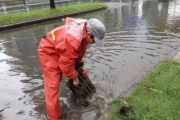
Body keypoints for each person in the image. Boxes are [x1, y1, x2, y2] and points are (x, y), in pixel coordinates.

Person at [38, 17, 106, 120]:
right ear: (88, 34)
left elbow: (79, 47)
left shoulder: (86, 26)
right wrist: (74, 78)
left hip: (63, 46)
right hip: (49, 50)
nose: (94, 43)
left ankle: (88, 87)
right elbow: (65, 64)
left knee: (80, 67)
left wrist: (79, 63)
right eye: (94, 40)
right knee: (53, 84)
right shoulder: (72, 40)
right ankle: (53, 116)